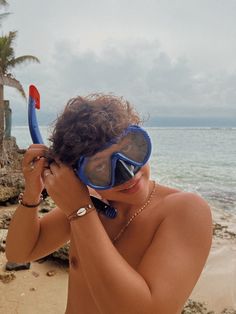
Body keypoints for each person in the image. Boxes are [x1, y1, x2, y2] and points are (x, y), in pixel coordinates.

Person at [6, 94, 212, 314]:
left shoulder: (185, 210)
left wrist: (80, 212)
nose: (128, 173)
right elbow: (20, 253)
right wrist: (32, 192)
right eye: (101, 168)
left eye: (131, 151)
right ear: (77, 176)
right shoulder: (90, 200)